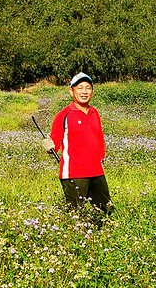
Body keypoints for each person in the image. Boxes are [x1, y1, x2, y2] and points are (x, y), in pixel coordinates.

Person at [41, 72, 112, 225]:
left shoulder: (94, 112)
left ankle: (99, 239)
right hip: (74, 173)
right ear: (71, 91)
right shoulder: (64, 115)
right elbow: (54, 141)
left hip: (96, 171)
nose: (84, 91)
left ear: (92, 91)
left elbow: (99, 137)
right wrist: (49, 145)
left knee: (105, 212)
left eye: (88, 88)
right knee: (75, 215)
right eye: (80, 88)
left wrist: (101, 157)